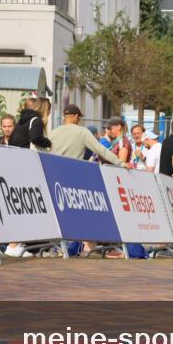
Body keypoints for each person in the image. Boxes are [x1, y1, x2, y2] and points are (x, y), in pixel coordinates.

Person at [46, 104, 121, 258]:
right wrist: (119, 162)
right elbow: (100, 149)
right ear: (74, 116)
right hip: (74, 178)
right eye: (79, 116)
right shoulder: (82, 132)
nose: (80, 119)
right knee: (82, 213)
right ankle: (88, 244)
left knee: (62, 215)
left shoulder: (53, 133)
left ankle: (68, 246)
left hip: (55, 178)